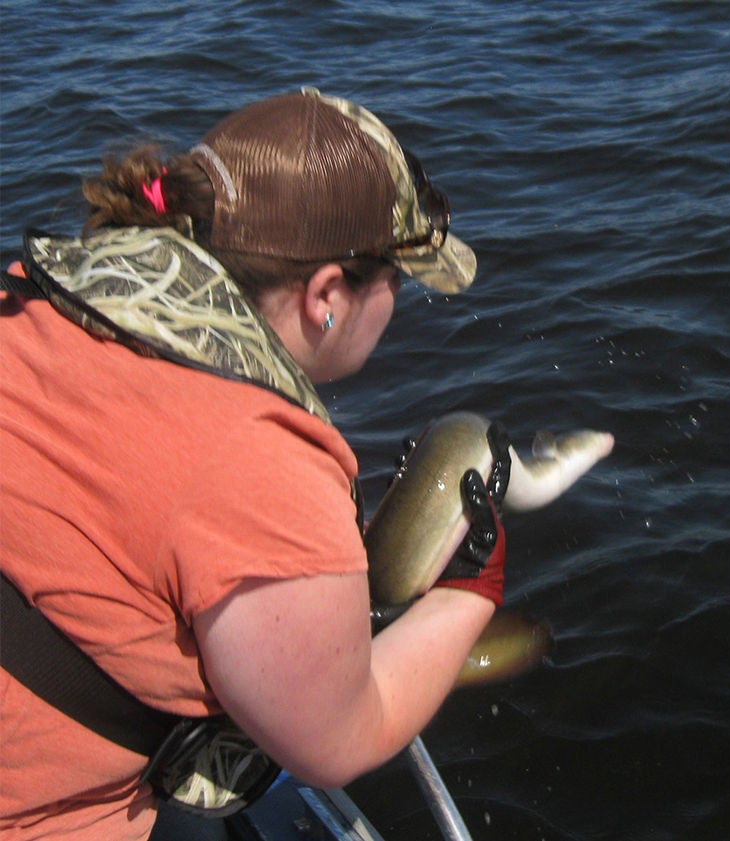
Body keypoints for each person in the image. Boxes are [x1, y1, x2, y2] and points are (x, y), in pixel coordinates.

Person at [0, 87, 508, 840]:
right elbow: (339, 740)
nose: (399, 300)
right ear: (326, 293)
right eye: (398, 278)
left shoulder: (34, 295)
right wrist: (471, 585)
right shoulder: (262, 457)